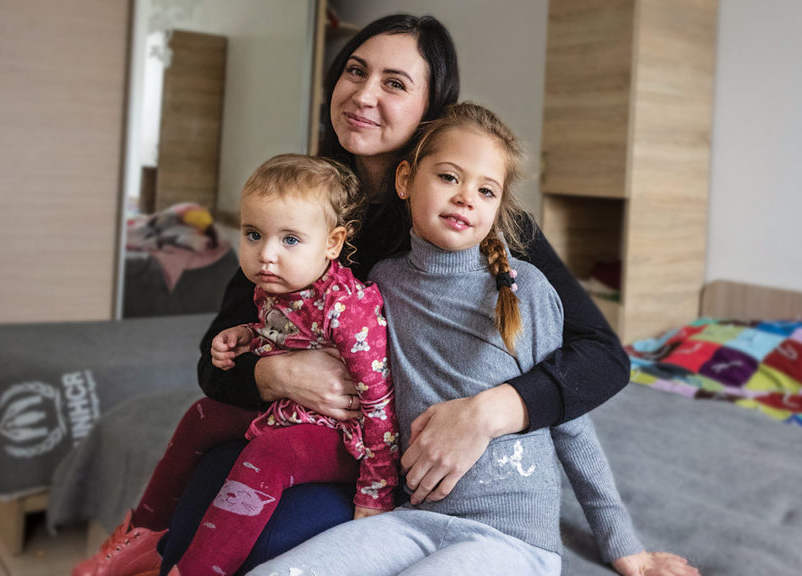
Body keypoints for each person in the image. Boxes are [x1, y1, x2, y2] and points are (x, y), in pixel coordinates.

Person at [159, 12, 633, 574]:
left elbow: (601, 356)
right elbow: (217, 358)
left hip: (377, 457)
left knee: (266, 544)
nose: (363, 94)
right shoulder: (306, 198)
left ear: (430, 111)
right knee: (207, 488)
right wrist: (273, 375)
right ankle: (151, 542)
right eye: (355, 71)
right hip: (295, 420)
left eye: (394, 83)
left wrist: (487, 413)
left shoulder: (477, 221)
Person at [248, 102, 695, 576]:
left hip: (512, 539)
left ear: (498, 208)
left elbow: (572, 424)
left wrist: (624, 545)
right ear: (405, 181)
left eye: (486, 190)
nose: (466, 197)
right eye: (448, 177)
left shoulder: (529, 290)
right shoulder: (380, 283)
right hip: (412, 520)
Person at [73, 155, 398, 576]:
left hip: (342, 436)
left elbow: (380, 405)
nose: (266, 255)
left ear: (332, 244)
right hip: (292, 410)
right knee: (202, 414)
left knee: (270, 454)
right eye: (253, 234)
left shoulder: (348, 308)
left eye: (290, 240)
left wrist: (375, 493)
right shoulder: (276, 286)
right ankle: (144, 537)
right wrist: (246, 333)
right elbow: (286, 332)